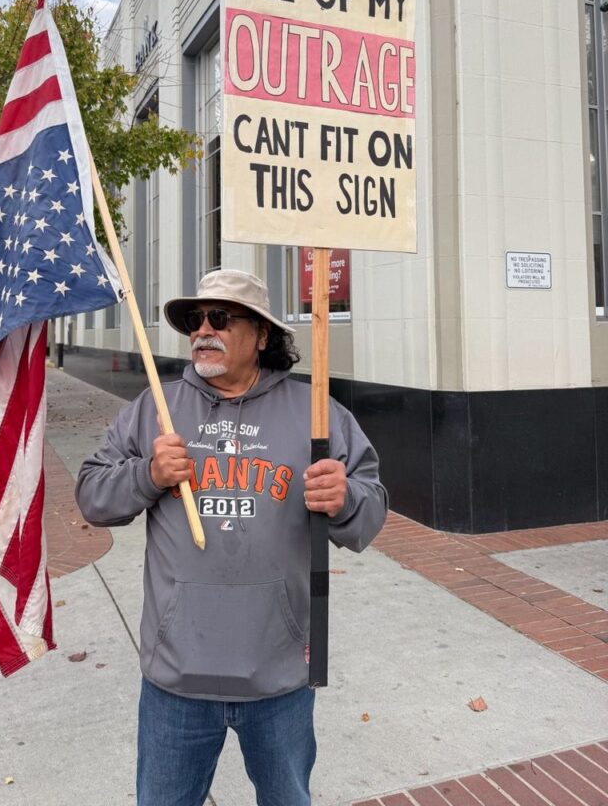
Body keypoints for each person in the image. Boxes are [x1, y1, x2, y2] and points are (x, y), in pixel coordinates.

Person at [76, 268, 387, 806]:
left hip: (279, 676)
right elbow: (91, 496)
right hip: (177, 678)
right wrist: (147, 474)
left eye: (219, 318)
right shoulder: (155, 407)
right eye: (195, 320)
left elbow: (370, 511)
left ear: (262, 335)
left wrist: (346, 499)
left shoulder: (315, 412)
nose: (203, 330)